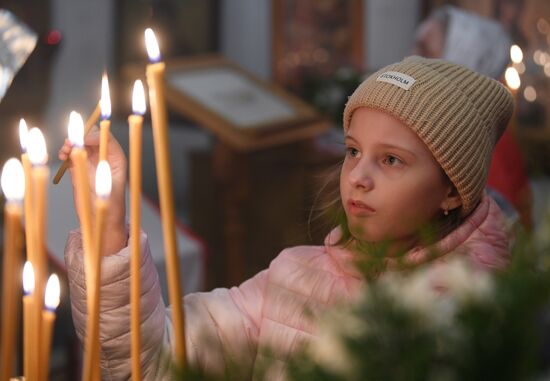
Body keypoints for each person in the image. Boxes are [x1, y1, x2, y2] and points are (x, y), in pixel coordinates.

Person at [61, 56, 513, 380]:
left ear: (452, 190)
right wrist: (110, 215)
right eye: (353, 150)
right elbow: (153, 360)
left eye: (391, 160)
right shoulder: (292, 279)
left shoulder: (478, 315)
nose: (358, 176)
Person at [413, 5, 534, 230]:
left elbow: (495, 230)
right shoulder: (436, 123)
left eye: (425, 50)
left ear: (460, 61)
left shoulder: (480, 137)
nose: (412, 59)